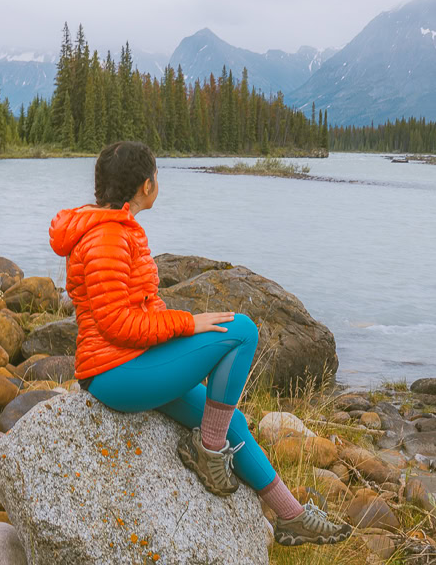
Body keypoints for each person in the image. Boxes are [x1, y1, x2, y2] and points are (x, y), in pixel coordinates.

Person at [48, 140, 352, 547]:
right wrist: (188, 324)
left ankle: (291, 515)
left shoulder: (117, 229)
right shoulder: (106, 238)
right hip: (115, 373)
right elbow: (116, 323)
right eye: (156, 175)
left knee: (232, 422)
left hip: (134, 363)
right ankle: (208, 454)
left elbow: (139, 307)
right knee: (241, 331)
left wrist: (175, 327)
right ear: (146, 185)